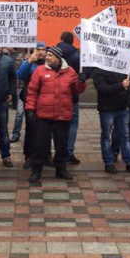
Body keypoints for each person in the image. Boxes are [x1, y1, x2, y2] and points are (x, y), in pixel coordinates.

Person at [25, 46, 87, 182]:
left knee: (61, 145)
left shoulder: (70, 72)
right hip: (43, 114)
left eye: (50, 55)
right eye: (47, 55)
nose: (47, 57)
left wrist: (81, 82)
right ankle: (36, 170)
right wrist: (30, 108)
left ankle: (61, 169)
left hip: (62, 114)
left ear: (58, 58)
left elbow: (77, 90)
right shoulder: (40, 71)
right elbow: (32, 91)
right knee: (40, 145)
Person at [90, 61, 130, 175]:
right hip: (107, 109)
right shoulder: (98, 71)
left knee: (125, 136)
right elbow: (102, 89)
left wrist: (128, 102)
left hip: (122, 107)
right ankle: (108, 162)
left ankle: (129, 162)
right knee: (106, 136)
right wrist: (120, 85)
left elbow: (129, 87)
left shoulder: (121, 68)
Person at [15, 42, 48, 169]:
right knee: (30, 129)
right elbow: (20, 75)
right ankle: (29, 155)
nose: (40, 52)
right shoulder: (30, 63)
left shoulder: (49, 62)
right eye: (38, 49)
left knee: (45, 130)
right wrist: (28, 62)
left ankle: (45, 155)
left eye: (43, 50)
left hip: (45, 101)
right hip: (31, 101)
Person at [56, 31, 82, 165]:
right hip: (72, 95)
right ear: (73, 42)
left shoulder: (54, 54)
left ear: (61, 39)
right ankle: (69, 152)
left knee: (56, 124)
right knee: (72, 123)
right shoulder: (77, 57)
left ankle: (56, 152)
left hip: (55, 94)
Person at [0, 48, 15, 168]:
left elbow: (12, 77)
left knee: (3, 130)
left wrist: (11, 92)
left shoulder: (8, 60)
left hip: (2, 99)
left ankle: (6, 155)